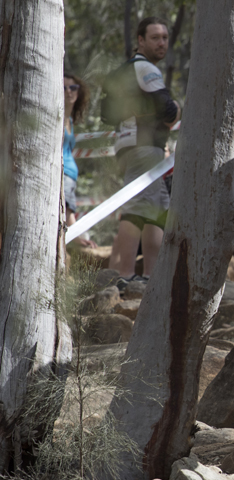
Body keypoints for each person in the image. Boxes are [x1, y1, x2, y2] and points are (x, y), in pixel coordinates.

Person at [105, 16, 181, 288]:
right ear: (140, 40)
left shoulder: (125, 70)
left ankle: (151, 276)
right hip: (144, 146)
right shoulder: (145, 68)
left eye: (164, 37)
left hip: (132, 145)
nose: (161, 43)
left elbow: (106, 113)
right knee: (137, 209)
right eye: (155, 37)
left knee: (157, 209)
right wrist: (177, 109)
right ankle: (126, 276)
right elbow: (168, 111)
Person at [63, 72, 97, 249]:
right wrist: (76, 237)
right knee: (67, 211)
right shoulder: (57, 119)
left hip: (70, 178)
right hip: (62, 175)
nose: (69, 92)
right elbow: (67, 210)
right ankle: (75, 239)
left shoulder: (69, 119)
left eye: (73, 87)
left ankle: (75, 237)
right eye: (64, 88)